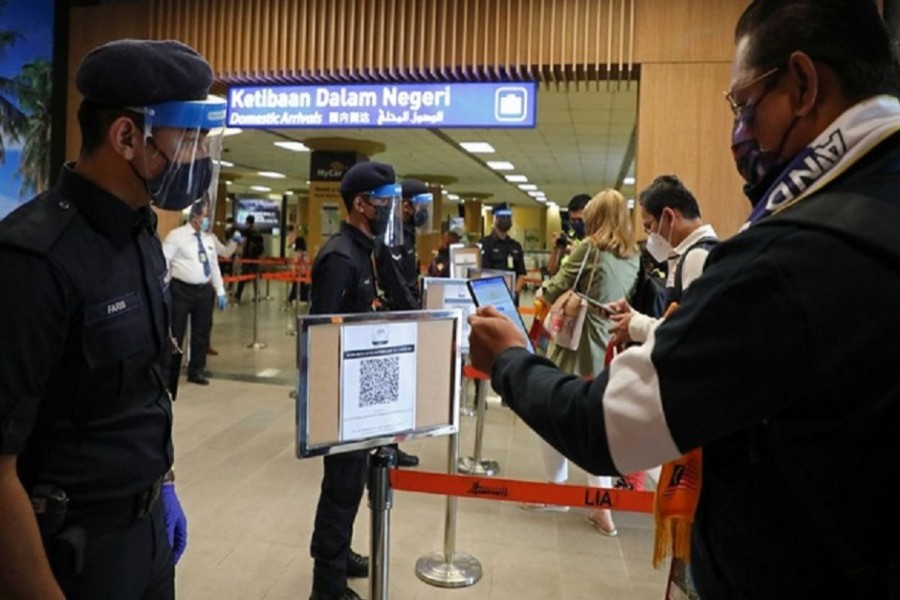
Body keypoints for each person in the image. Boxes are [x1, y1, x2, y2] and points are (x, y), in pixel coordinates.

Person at [468, 0, 900, 597]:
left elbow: (609, 427)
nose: (739, 131)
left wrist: (511, 358)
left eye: (744, 103)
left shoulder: (787, 256)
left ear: (803, 83)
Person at [0, 38, 226, 598]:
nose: (201, 156)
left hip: (145, 534)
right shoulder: (34, 261)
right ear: (128, 136)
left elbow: (145, 389)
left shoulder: (143, 235)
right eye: (190, 137)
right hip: (70, 552)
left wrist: (163, 482)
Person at [307, 160, 400, 600]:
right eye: (383, 203)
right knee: (340, 490)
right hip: (341, 396)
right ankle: (326, 585)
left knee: (354, 482)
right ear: (361, 204)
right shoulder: (341, 257)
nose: (389, 211)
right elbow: (322, 338)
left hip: (361, 394)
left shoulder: (367, 250)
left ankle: (341, 555)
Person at [522, 190, 638, 538]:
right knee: (595, 423)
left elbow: (555, 286)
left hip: (575, 345)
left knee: (550, 412)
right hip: (608, 347)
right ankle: (601, 507)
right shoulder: (632, 256)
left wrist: (544, 293)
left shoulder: (590, 249)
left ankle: (558, 491)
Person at [608, 175, 718, 347]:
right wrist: (635, 317)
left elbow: (691, 330)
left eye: (649, 226)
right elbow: (674, 322)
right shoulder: (687, 255)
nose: (649, 235)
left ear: (668, 217)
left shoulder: (697, 257)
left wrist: (635, 326)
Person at [374, 178, 434, 468]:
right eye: (421, 206)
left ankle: (392, 444)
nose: (424, 212)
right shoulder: (391, 237)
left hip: (405, 316)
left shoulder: (406, 234)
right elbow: (397, 286)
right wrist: (416, 316)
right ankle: (384, 447)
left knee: (400, 386)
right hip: (395, 318)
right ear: (407, 206)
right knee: (391, 385)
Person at [163, 199, 227, 385]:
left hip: (204, 292)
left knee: (201, 332)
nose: (207, 220)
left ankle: (196, 370)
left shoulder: (208, 239)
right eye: (205, 216)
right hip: (181, 290)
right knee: (176, 332)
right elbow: (164, 260)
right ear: (195, 216)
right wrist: (164, 285)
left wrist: (220, 290)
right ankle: (169, 374)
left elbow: (214, 266)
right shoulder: (176, 236)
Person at [480, 202, 527, 304]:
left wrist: (515, 293)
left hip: (511, 298)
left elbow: (521, 273)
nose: (506, 220)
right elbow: (481, 272)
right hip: (490, 296)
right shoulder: (485, 244)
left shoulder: (515, 246)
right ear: (495, 219)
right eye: (503, 216)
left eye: (508, 217)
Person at [547, 193, 591, 276]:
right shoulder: (569, 237)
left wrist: (575, 252)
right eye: (573, 220)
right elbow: (551, 271)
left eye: (580, 220)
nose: (576, 224)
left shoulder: (599, 241)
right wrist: (556, 249)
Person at [235, 213, 264, 303]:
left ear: (248, 222)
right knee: (255, 277)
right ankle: (257, 295)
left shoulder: (247, 232)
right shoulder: (258, 232)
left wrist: (240, 253)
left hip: (248, 257)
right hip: (255, 258)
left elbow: (244, 243)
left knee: (243, 276)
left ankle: (238, 295)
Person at [286, 223, 309, 303]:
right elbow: (307, 262)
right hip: (303, 272)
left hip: (298, 272)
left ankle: (292, 298)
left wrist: (293, 271)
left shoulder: (297, 253)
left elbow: (295, 262)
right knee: (302, 286)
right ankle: (303, 298)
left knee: (296, 285)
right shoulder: (305, 253)